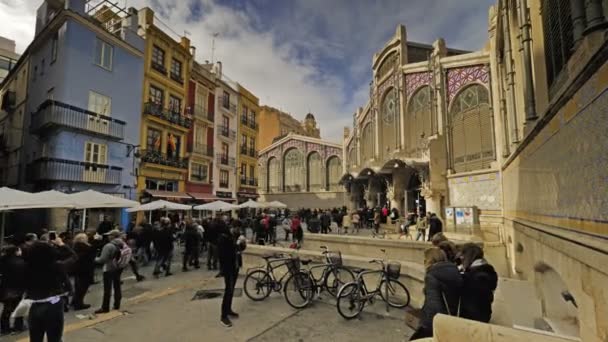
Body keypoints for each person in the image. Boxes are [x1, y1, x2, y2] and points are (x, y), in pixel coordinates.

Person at [23, 240, 72, 342]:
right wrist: (62, 244)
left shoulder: (26, 267)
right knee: (55, 337)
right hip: (53, 304)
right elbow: (73, 257)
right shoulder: (57, 266)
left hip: (34, 304)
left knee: (35, 337)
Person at [410, 248, 463, 341]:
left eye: (425, 260)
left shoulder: (432, 275)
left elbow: (433, 305)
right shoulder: (454, 271)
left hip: (436, 321)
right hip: (451, 316)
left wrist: (425, 325)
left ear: (430, 260)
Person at [459, 243, 498, 323]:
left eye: (463, 257)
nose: (461, 259)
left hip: (473, 318)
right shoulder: (488, 271)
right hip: (485, 314)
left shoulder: (474, 276)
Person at [94, 230, 129, 314]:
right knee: (117, 286)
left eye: (110, 235)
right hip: (118, 267)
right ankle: (117, 304)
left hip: (109, 268)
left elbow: (102, 259)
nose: (108, 236)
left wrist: (94, 259)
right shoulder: (123, 243)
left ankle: (105, 307)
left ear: (113, 236)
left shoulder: (109, 246)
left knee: (107, 289)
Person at [217, 220, 240, 327]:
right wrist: (235, 246)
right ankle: (223, 316)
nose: (238, 230)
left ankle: (229, 309)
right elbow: (223, 255)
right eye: (237, 228)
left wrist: (241, 245)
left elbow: (238, 250)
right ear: (233, 227)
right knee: (228, 290)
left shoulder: (234, 236)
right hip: (228, 268)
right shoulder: (224, 238)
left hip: (235, 267)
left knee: (231, 290)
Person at [0, 245, 26, 335]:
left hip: (5, 289)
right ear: (15, 251)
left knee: (7, 309)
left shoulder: (3, 260)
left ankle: (5, 328)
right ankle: (18, 326)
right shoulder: (21, 262)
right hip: (18, 288)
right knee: (19, 308)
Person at [70, 233, 96, 310]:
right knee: (83, 287)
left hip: (78, 269)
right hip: (85, 269)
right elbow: (91, 256)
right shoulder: (86, 247)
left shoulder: (75, 246)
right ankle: (79, 304)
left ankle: (74, 301)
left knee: (78, 286)